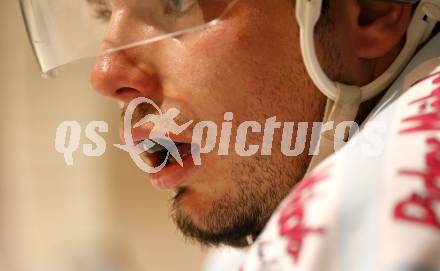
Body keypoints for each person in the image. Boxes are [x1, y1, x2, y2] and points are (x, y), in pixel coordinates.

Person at [21, 0, 440, 269]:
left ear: (369, 10)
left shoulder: (369, 207)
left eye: (177, 3)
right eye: (102, 14)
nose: (104, 75)